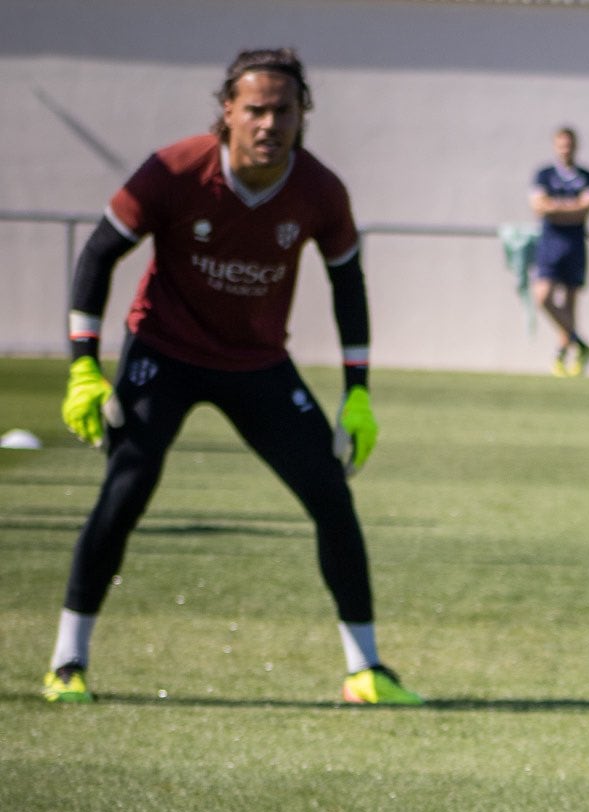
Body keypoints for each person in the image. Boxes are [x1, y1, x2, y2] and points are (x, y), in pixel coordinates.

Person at [46, 47, 419, 706]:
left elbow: (348, 285)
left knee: (331, 498)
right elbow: (99, 255)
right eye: (256, 109)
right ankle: (67, 662)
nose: (270, 123)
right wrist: (83, 366)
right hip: (164, 351)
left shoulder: (320, 191)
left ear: (303, 115)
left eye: (284, 110)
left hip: (257, 362)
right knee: (126, 492)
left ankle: (367, 670)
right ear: (227, 111)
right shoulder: (173, 170)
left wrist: (357, 392)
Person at [532, 127, 589, 376]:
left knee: (570, 304)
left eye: (569, 144)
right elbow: (539, 207)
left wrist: (556, 207)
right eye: (561, 145)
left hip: (575, 242)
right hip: (550, 242)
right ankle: (580, 345)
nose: (565, 149)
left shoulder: (587, 176)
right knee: (543, 296)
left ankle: (563, 357)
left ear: (575, 146)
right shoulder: (544, 175)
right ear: (555, 147)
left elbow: (585, 209)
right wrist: (570, 207)